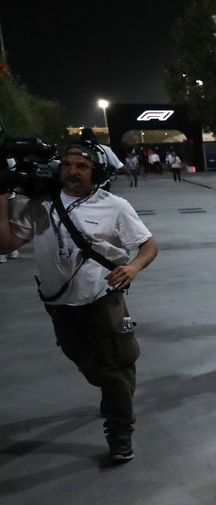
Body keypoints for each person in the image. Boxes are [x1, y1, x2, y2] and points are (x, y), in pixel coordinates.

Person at [0, 142, 158, 463]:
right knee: (86, 363)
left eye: (82, 166)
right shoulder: (41, 205)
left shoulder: (114, 205)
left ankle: (119, 431)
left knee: (117, 365)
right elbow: (6, 244)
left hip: (102, 300)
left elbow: (148, 245)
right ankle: (111, 392)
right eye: (68, 165)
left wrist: (132, 267)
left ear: (95, 172)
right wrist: (1, 196)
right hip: (60, 306)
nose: (72, 171)